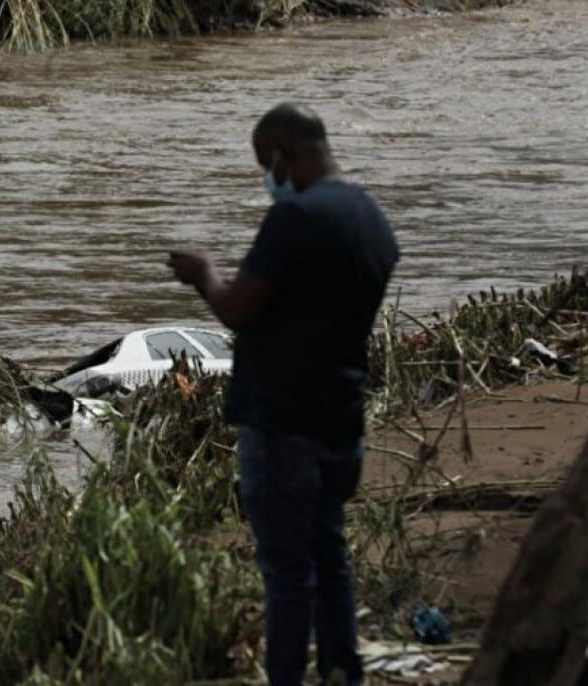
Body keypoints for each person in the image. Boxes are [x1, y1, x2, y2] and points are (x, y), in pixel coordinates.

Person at [167, 103, 398, 686]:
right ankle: (344, 672)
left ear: (280, 154)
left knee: (288, 575)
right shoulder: (370, 217)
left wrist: (204, 272)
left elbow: (237, 308)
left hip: (282, 425)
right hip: (340, 419)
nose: (266, 177)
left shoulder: (295, 218)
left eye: (263, 165)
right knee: (330, 557)